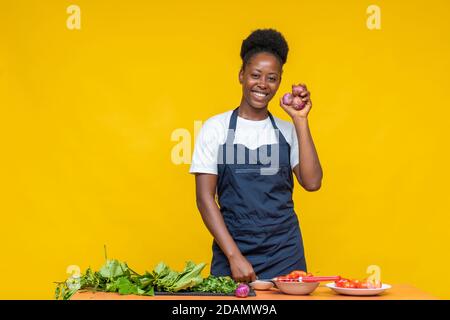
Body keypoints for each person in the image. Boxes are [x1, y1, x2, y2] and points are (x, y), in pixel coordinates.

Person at [189, 29, 323, 283]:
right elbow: (204, 198)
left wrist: (301, 120)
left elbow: (312, 183)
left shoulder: (287, 130)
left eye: (272, 78)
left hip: (286, 253)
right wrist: (234, 256)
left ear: (279, 82)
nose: (263, 84)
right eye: (255, 75)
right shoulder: (215, 128)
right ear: (242, 76)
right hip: (233, 250)